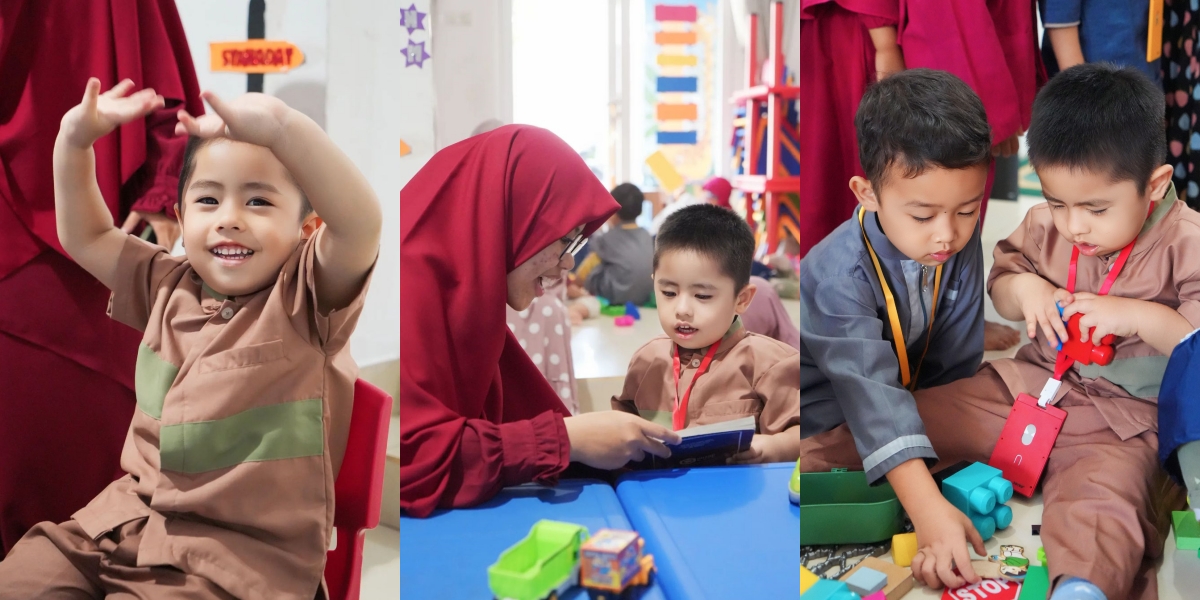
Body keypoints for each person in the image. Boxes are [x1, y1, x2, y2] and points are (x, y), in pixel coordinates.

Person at [806, 64, 1199, 600]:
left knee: (1105, 498)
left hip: (1122, 421)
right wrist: (1030, 293)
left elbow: (1195, 344)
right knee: (907, 419)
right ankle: (795, 469)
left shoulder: (1188, 242)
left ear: (1153, 186)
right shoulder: (1044, 224)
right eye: (1058, 202)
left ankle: (1081, 587)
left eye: (1095, 208)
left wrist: (1136, 316)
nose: (1073, 225)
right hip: (1029, 386)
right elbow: (1007, 278)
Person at [0, 78, 380, 598]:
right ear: (180, 219)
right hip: (119, 526)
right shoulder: (166, 283)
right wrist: (73, 140)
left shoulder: (307, 300)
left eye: (259, 202)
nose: (229, 220)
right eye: (208, 199)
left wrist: (285, 129)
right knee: (22, 576)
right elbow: (85, 235)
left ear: (308, 229)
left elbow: (361, 225)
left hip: (235, 563)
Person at [0, 0, 203, 556]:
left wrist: (163, 190)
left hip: (87, 257)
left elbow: (160, 77)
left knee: (83, 491)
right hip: (80, 245)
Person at [400, 125, 683, 518]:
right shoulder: (412, 283)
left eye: (576, 244)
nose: (569, 262)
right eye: (565, 240)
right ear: (514, 219)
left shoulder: (468, 297)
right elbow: (416, 460)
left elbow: (517, 410)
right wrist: (567, 438)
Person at [800, 69, 992, 590]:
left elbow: (956, 357)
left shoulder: (954, 240)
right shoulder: (834, 272)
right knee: (827, 462)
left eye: (968, 209)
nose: (947, 233)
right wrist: (927, 508)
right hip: (833, 417)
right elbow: (869, 394)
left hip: (914, 399)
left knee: (1005, 408)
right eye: (924, 214)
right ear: (867, 194)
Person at [612, 204, 800, 462]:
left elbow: (802, 434)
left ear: (742, 299)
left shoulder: (771, 364)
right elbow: (622, 427)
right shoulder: (646, 360)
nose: (682, 310)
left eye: (702, 296)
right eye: (668, 293)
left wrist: (772, 447)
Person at [581, 183, 655, 306]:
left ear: (613, 211)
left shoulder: (605, 239)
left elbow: (583, 274)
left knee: (596, 265)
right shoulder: (647, 236)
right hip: (644, 299)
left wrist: (574, 284)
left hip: (613, 298)